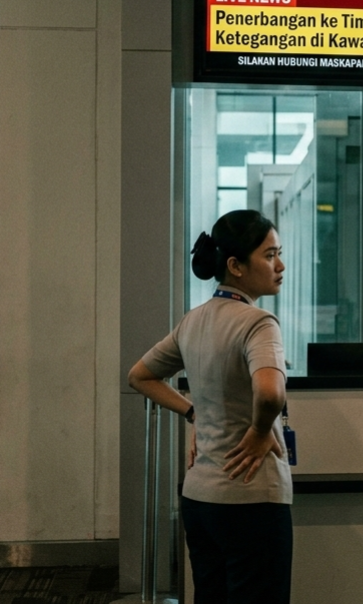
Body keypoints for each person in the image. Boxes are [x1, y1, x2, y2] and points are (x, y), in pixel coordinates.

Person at [128, 210, 292, 604]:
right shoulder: (258, 323)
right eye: (269, 256)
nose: (280, 265)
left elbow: (140, 376)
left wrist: (194, 413)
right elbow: (270, 393)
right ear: (235, 266)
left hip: (200, 501)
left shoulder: (193, 321)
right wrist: (256, 433)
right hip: (251, 501)